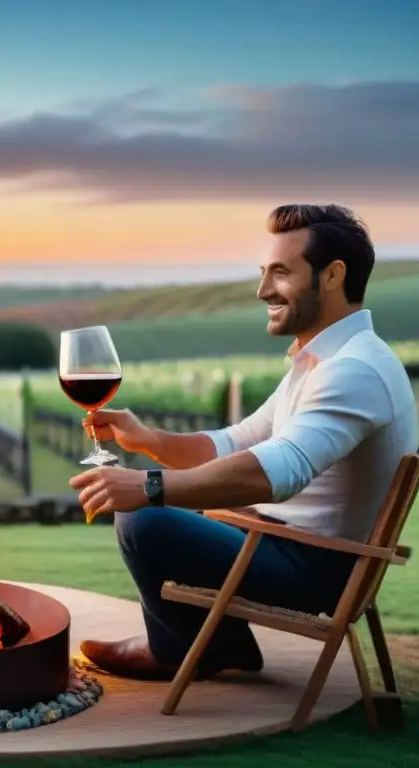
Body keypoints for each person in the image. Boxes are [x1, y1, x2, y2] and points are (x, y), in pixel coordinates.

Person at [70, 204, 418, 681]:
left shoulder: (354, 370)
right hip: (286, 546)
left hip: (315, 570)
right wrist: (150, 441)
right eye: (263, 273)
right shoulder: (327, 360)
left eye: (280, 272)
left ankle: (184, 648)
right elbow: (234, 443)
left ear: (333, 275)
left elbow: (277, 471)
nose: (262, 290)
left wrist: (149, 486)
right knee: (164, 506)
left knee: (143, 518)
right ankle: (217, 642)